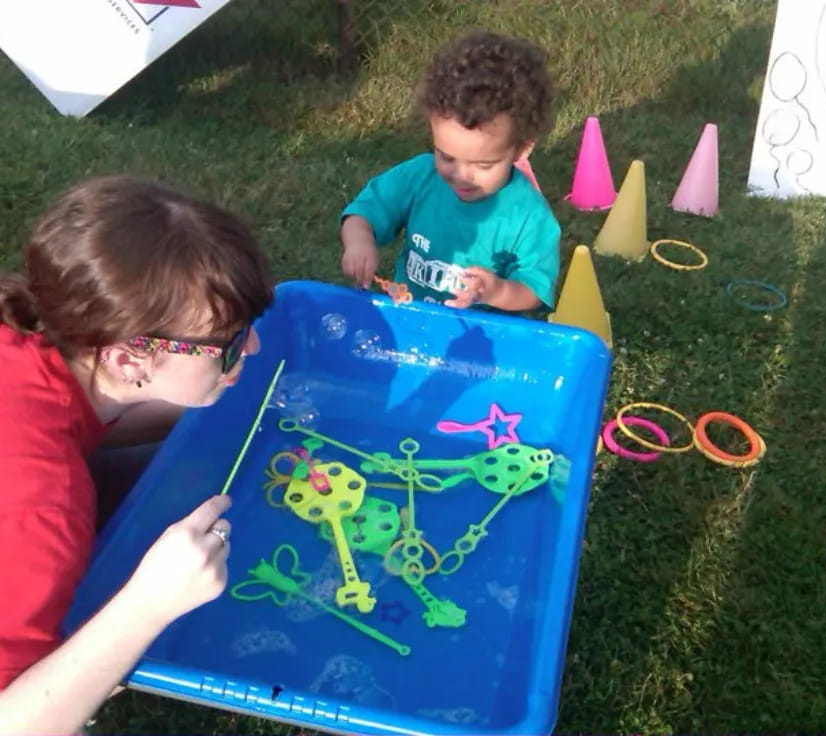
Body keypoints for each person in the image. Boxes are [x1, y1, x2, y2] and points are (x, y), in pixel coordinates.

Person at [0, 175, 275, 734]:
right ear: (129, 360)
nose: (254, 347)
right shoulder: (42, 509)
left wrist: (232, 394)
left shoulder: (33, 339)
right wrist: (146, 605)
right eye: (230, 340)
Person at [340, 31, 561, 312]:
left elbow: (535, 290)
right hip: (413, 322)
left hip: (483, 338)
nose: (461, 175)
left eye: (483, 165)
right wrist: (359, 243)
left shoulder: (528, 215)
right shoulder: (421, 176)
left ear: (521, 150)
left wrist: (498, 290)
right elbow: (363, 213)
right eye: (446, 156)